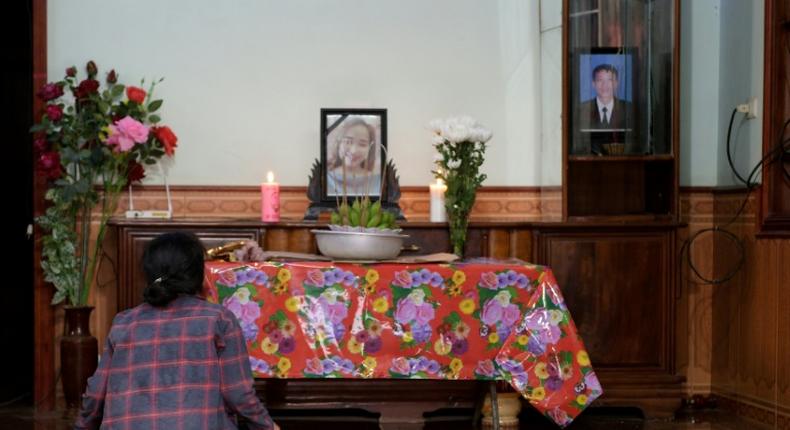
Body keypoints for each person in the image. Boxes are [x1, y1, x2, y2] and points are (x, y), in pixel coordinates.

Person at [74, 231, 279, 430]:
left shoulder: (124, 322)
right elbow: (239, 394)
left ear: (149, 273)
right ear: (198, 273)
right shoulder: (219, 319)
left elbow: (95, 395)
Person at [577, 63, 634, 154]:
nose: (605, 85)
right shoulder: (582, 109)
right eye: (600, 80)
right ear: (593, 84)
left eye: (609, 80)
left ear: (616, 83)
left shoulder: (629, 108)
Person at [326, 117, 381, 197]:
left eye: (362, 144)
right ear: (339, 144)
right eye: (348, 142)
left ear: (369, 149)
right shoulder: (326, 178)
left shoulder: (377, 180)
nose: (354, 151)